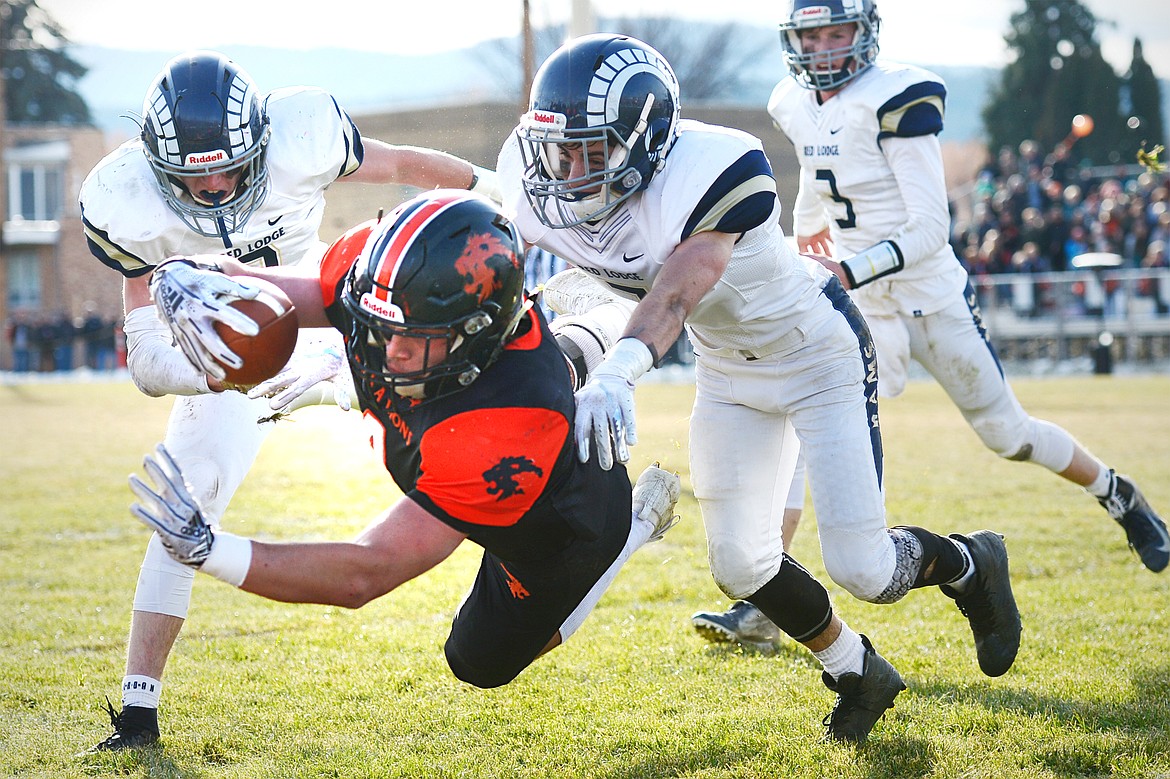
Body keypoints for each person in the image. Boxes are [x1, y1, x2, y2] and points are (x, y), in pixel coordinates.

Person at [496, 32, 1021, 743]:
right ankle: (856, 670)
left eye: (595, 152)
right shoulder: (542, 190)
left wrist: (620, 368)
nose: (571, 172)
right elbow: (554, 262)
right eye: (563, 151)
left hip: (816, 356)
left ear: (646, 140)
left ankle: (969, 561)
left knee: (865, 568)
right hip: (728, 371)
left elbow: (679, 289)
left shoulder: (716, 166)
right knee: (740, 562)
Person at [690, 0, 1170, 649]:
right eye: (815, 35)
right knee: (816, 429)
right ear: (793, 40)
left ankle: (1119, 492)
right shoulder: (792, 100)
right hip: (867, 305)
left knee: (1006, 431)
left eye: (839, 33)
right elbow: (816, 187)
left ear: (863, 34)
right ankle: (768, 605)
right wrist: (803, 250)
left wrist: (844, 270)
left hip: (926, 294)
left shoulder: (896, 96)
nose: (827, 48)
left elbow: (930, 226)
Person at [79, 50, 504, 752]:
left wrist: (497, 194)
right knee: (188, 497)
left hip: (334, 315)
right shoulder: (127, 203)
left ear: (262, 144)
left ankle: (535, 544)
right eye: (194, 174)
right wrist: (212, 372)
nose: (215, 186)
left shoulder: (302, 134)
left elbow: (397, 162)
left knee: (462, 420)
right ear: (156, 167)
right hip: (228, 362)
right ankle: (137, 714)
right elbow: (148, 357)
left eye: (229, 166)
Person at [127, 191, 682, 720]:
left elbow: (366, 573)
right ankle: (592, 323)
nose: (388, 350)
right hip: (500, 392)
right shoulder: (384, 277)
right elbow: (284, 295)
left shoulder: (506, 426)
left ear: (476, 333)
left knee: (478, 663)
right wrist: (195, 274)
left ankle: (634, 526)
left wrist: (211, 550)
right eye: (381, 325)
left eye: (414, 337)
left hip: (560, 522)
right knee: (537, 369)